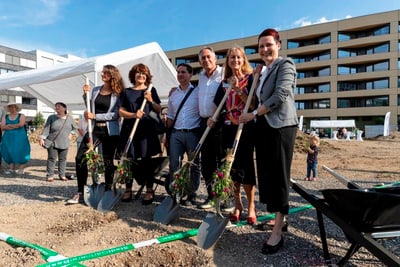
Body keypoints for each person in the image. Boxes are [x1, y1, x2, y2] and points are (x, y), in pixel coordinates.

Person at [240, 28, 298, 254]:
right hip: (264, 126)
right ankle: (278, 219)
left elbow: (281, 95)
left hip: (282, 126)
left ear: (278, 45)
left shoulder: (286, 65)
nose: (264, 50)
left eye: (268, 45)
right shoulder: (263, 71)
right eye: (261, 46)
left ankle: (278, 233)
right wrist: (255, 79)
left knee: (279, 175)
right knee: (267, 174)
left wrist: (254, 114)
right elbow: (256, 98)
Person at [212, 45, 257, 224]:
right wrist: (212, 118)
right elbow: (218, 105)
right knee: (231, 168)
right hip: (229, 129)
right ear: (228, 62)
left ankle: (252, 206)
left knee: (246, 168)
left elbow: (253, 105)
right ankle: (238, 205)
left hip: (245, 128)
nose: (235, 61)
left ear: (243, 59)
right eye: (232, 58)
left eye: (238, 57)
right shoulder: (224, 83)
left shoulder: (251, 78)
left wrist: (239, 90)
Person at [67, 65, 124, 204]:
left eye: (105, 72)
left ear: (112, 75)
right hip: (94, 130)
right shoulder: (96, 90)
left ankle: (108, 189)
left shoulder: (118, 93)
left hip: (110, 131)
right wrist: (85, 96)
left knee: (108, 161)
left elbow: (116, 114)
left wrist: (95, 116)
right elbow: (90, 108)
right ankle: (80, 191)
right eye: (102, 72)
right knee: (80, 158)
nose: (102, 74)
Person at [118, 63, 162, 205]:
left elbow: (158, 109)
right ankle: (128, 189)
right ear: (134, 75)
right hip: (130, 129)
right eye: (138, 73)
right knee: (129, 159)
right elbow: (120, 111)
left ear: (147, 76)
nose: (141, 76)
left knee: (146, 160)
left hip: (146, 131)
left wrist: (150, 100)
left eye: (144, 73)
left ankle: (149, 190)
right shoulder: (126, 92)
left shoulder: (151, 90)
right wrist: (133, 114)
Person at [166, 63, 201, 206]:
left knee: (193, 165)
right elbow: (170, 115)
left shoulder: (198, 92)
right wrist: (166, 135)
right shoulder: (173, 94)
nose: (180, 75)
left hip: (193, 133)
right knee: (174, 164)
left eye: (183, 72)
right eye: (178, 72)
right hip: (176, 134)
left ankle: (191, 193)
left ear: (190, 75)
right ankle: (176, 191)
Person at [196, 46, 225, 209]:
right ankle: (211, 196)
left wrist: (218, 116)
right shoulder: (200, 77)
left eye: (209, 57)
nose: (206, 60)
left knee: (221, 160)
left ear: (215, 58)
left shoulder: (223, 74)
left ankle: (223, 196)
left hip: (219, 122)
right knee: (206, 162)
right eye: (203, 58)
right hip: (204, 122)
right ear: (200, 61)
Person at [40, 102, 77, 181]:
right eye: (56, 107)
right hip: (53, 142)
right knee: (52, 159)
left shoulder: (69, 118)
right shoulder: (51, 117)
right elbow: (46, 129)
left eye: (59, 106)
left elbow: (74, 128)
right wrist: (42, 138)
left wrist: (71, 133)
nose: (56, 108)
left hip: (65, 142)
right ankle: (50, 175)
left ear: (65, 108)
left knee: (63, 159)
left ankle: (62, 175)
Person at [0, 102, 31, 175]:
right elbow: (2, 127)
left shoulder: (21, 115)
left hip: (20, 137)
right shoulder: (5, 117)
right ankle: (11, 168)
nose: (10, 108)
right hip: (8, 137)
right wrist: (15, 126)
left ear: (16, 107)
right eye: (9, 107)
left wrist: (9, 125)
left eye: (12, 106)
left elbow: (21, 125)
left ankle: (21, 168)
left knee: (21, 151)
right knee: (9, 151)